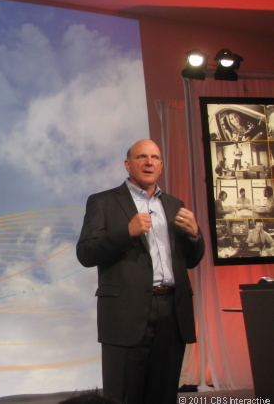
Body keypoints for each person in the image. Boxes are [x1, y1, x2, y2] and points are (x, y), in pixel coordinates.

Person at [76, 139, 204, 404]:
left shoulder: (174, 204)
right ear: (128, 164)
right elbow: (86, 253)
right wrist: (126, 232)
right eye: (141, 157)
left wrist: (195, 235)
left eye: (155, 158)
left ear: (161, 166)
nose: (149, 163)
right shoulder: (103, 201)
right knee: (123, 396)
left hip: (172, 311)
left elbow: (190, 260)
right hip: (126, 314)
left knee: (164, 394)